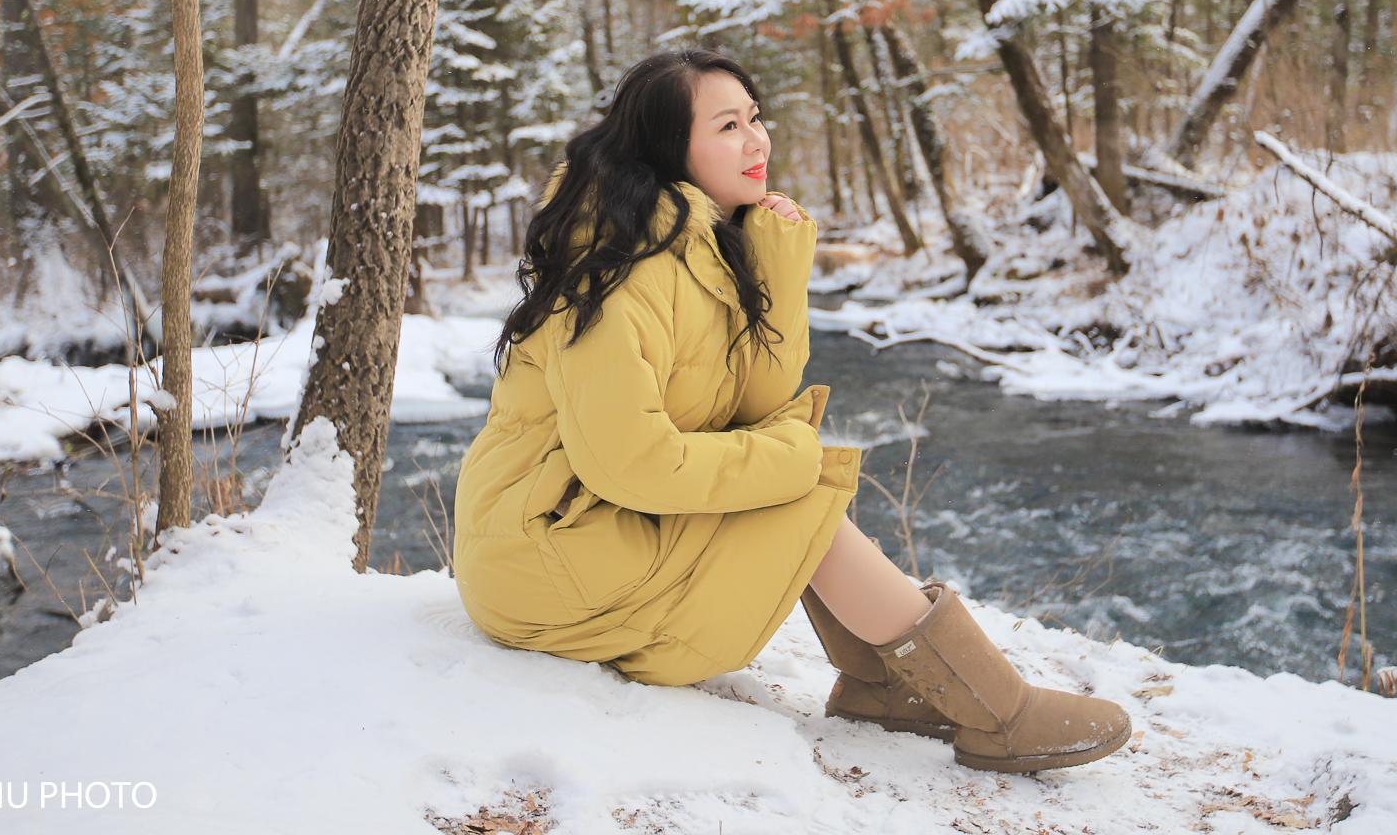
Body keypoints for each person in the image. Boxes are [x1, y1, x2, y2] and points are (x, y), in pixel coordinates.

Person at [452, 47, 1130, 773]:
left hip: (600, 523)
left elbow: (758, 403)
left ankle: (883, 685)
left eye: (755, 117)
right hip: (542, 552)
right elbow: (630, 462)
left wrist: (779, 264)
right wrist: (788, 456)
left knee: (784, 479)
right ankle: (996, 711)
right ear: (667, 149)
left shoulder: (702, 245)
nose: (756, 139)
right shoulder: (622, 273)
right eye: (727, 125)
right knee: (793, 488)